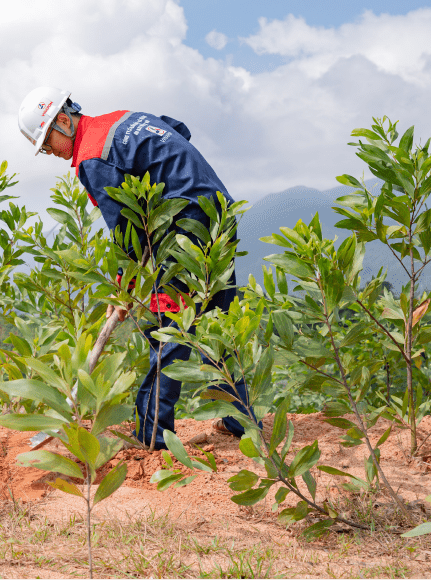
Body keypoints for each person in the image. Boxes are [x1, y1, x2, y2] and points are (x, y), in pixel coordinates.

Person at [17, 86, 257, 449]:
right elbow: (178, 131)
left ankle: (152, 434)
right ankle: (241, 420)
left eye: (48, 143)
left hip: (184, 231)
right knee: (219, 323)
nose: (51, 152)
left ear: (63, 121)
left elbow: (125, 229)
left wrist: (123, 287)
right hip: (217, 213)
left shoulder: (92, 156)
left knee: (167, 328)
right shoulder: (122, 120)